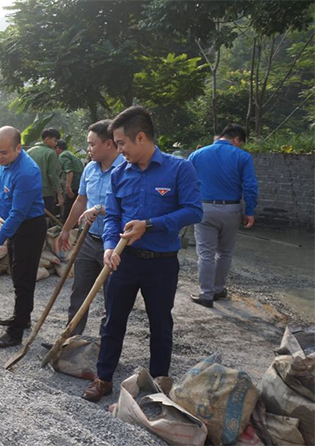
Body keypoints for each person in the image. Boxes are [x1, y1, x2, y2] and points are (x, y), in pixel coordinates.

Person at [82, 106, 203, 402]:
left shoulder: (179, 168)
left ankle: (158, 385)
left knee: (161, 324)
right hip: (126, 260)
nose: (118, 149)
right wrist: (110, 246)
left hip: (161, 263)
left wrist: (149, 225)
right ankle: (104, 377)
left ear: (140, 137)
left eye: (121, 143)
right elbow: (112, 215)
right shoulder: (120, 172)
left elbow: (193, 210)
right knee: (113, 321)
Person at [47, 120, 124, 349]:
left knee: (112, 297)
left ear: (109, 143)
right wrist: (66, 229)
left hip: (115, 245)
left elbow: (129, 207)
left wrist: (100, 210)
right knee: (79, 291)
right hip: (88, 240)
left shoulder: (125, 170)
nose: (88, 149)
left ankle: (106, 346)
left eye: (92, 144)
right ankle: (70, 338)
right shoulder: (90, 168)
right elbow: (81, 200)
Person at [0, 126, 47, 348]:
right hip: (16, 226)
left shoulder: (27, 172)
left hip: (29, 228)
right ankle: (23, 317)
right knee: (17, 274)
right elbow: (2, 182)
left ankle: (15, 334)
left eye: (4, 152)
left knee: (23, 279)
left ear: (18, 148)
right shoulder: (7, 163)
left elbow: (18, 214)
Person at [188, 124, 258, 308]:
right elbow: (250, 186)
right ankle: (218, 289)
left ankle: (206, 294)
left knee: (206, 254)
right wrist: (249, 211)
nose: (240, 146)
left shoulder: (197, 154)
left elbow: (186, 182)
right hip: (232, 210)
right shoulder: (243, 157)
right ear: (236, 139)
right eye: (240, 143)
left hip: (204, 209)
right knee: (225, 252)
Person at [26, 128, 63, 220]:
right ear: (47, 139)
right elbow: (52, 175)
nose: (56, 144)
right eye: (55, 140)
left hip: (29, 191)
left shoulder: (29, 151)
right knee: (46, 218)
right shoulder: (51, 153)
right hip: (45, 193)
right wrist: (60, 193)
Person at [55, 138, 84, 222]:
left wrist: (68, 186)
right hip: (78, 185)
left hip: (73, 185)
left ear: (58, 148)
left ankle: (64, 226)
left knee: (67, 208)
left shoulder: (63, 155)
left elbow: (69, 171)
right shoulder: (70, 154)